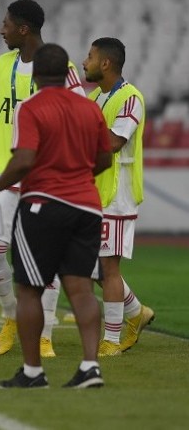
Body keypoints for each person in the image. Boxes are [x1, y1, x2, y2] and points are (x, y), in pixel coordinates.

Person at [0, 43, 113, 389]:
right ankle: (90, 367)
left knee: (28, 290)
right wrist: (78, 175)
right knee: (81, 288)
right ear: (65, 72)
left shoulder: (31, 107)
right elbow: (105, 159)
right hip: (86, 205)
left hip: (44, 204)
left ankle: (33, 372)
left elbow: (23, 159)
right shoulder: (88, 107)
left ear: (35, 73)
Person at [0, 0, 85, 358]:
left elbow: (78, 113)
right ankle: (12, 319)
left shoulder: (58, 66)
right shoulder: (4, 63)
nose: (1, 30)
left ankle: (45, 334)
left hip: (41, 177)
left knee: (42, 257)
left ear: (23, 28)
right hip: (2, 174)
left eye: (6, 24)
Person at [81, 37, 155, 355]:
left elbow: (113, 142)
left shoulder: (130, 97)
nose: (86, 62)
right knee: (94, 268)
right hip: (96, 193)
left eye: (90, 56)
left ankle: (112, 339)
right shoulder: (97, 96)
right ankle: (136, 312)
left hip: (117, 195)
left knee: (108, 268)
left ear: (106, 63)